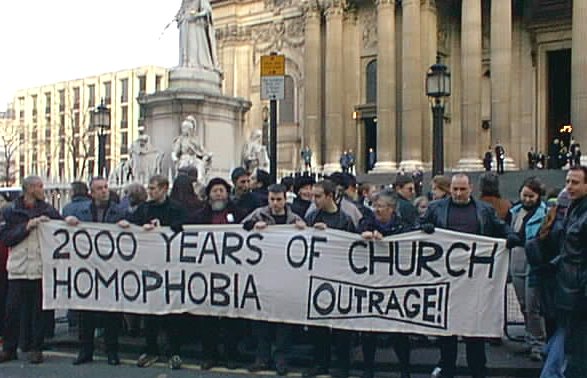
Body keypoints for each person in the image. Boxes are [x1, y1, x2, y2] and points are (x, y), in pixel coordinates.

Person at [423, 173, 518, 378]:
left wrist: (509, 235)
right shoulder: (435, 208)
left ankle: (478, 370)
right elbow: (417, 228)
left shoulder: (484, 209)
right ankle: (447, 367)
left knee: (474, 328)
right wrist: (425, 228)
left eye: (462, 189)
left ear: (470, 189)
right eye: (454, 189)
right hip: (446, 280)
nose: (458, 193)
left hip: (475, 280)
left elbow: (499, 226)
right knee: (447, 328)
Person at [358, 191, 429, 378]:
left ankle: (405, 370)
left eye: (380, 206)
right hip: (372, 285)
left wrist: (388, 240)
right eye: (375, 206)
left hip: (396, 287)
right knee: (369, 331)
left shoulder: (403, 227)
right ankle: (368, 370)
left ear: (391, 209)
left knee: (399, 332)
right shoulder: (367, 223)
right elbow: (356, 233)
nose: (376, 209)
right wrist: (363, 235)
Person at [120, 175, 186, 370]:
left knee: (171, 313)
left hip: (171, 268)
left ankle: (174, 351)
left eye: (154, 188)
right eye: (149, 188)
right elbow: (131, 222)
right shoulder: (144, 209)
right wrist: (129, 226)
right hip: (149, 268)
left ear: (165, 188)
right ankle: (151, 350)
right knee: (150, 314)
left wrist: (165, 229)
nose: (150, 191)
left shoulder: (176, 209)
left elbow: (184, 228)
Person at [242, 184, 305, 375]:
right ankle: (262, 358)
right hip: (262, 277)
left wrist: (303, 229)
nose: (275, 203)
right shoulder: (259, 214)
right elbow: (240, 228)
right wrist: (252, 226)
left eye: (279, 199)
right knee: (261, 321)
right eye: (272, 199)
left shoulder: (294, 219)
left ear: (285, 200)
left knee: (283, 322)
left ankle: (281, 360)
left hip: (285, 278)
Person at [63, 177, 126, 366]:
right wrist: (67, 222)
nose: (104, 191)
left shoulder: (119, 212)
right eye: (99, 188)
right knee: (86, 313)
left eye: (106, 187)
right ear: (91, 192)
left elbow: (136, 229)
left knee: (111, 313)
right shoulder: (82, 213)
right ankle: (85, 351)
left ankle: (112, 351)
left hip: (110, 269)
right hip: (88, 269)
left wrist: (127, 225)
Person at [0, 176, 62, 364]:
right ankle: (9, 348)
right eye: (40, 186)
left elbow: (62, 230)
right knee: (12, 311)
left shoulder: (48, 210)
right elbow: (6, 238)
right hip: (19, 267)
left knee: (38, 312)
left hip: (39, 267)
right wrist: (28, 226)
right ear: (30, 189)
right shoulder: (11, 211)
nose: (43, 189)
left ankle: (36, 348)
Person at [193, 177, 247, 370]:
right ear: (208, 195)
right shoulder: (199, 216)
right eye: (214, 191)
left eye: (221, 190)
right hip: (207, 275)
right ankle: (210, 355)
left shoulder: (240, 214)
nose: (218, 194)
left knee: (231, 318)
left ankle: (231, 354)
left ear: (227, 194)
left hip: (231, 276)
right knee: (208, 319)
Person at [303, 180, 355, 378]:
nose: (314, 200)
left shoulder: (345, 219)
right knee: (319, 326)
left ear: (329, 196)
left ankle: (343, 366)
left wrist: (331, 235)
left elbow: (351, 247)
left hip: (340, 277)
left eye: (318, 196)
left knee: (341, 328)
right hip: (318, 277)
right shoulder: (311, 217)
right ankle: (320, 363)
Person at [508, 177, 548, 361]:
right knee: (523, 303)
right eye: (524, 195)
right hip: (517, 258)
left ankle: (538, 343)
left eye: (531, 196)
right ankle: (529, 337)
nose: (527, 199)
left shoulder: (545, 213)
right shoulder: (514, 212)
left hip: (533, 261)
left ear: (538, 196)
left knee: (533, 306)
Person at [554, 166, 587, 377]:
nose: (568, 187)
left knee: (579, 355)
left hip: (580, 294)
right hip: (570, 290)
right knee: (572, 348)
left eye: (575, 183)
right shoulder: (573, 209)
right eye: (567, 181)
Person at [176, 0, 219, 71]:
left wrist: (196, 15)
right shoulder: (184, 1)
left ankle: (194, 63)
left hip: (195, 27)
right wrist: (179, 16)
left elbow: (207, 11)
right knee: (185, 47)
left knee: (193, 45)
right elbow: (181, 11)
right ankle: (185, 62)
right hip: (185, 25)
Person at [171, 116, 212, 183]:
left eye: (185, 128)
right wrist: (175, 158)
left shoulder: (195, 140)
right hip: (184, 159)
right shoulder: (180, 140)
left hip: (194, 159)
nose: (183, 130)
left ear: (190, 129)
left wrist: (207, 156)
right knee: (184, 167)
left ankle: (199, 184)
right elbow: (174, 152)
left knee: (200, 166)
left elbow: (202, 151)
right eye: (183, 128)